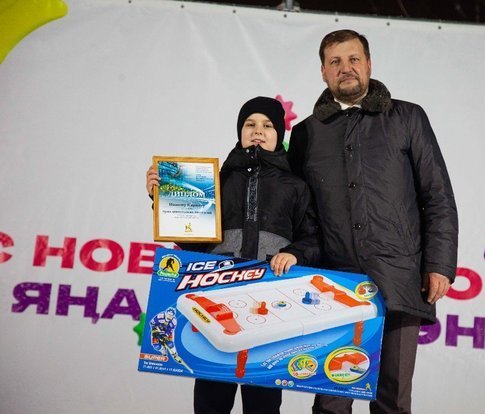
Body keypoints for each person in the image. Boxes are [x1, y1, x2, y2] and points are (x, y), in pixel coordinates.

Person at [287, 29, 458, 414]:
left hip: (400, 277)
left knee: (391, 399)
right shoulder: (306, 133)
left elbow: (437, 195)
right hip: (333, 284)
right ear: (323, 72)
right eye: (335, 61)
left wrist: (439, 264)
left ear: (368, 64)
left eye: (353, 59)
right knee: (331, 400)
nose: (345, 68)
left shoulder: (407, 117)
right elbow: (291, 205)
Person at [146, 96, 321, 414]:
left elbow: (313, 238)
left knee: (263, 403)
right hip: (218, 301)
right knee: (211, 397)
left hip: (270, 304)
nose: (258, 131)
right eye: (250, 124)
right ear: (240, 131)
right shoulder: (215, 181)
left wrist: (296, 253)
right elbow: (194, 244)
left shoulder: (296, 186)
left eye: (268, 125)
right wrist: (163, 199)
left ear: (280, 133)